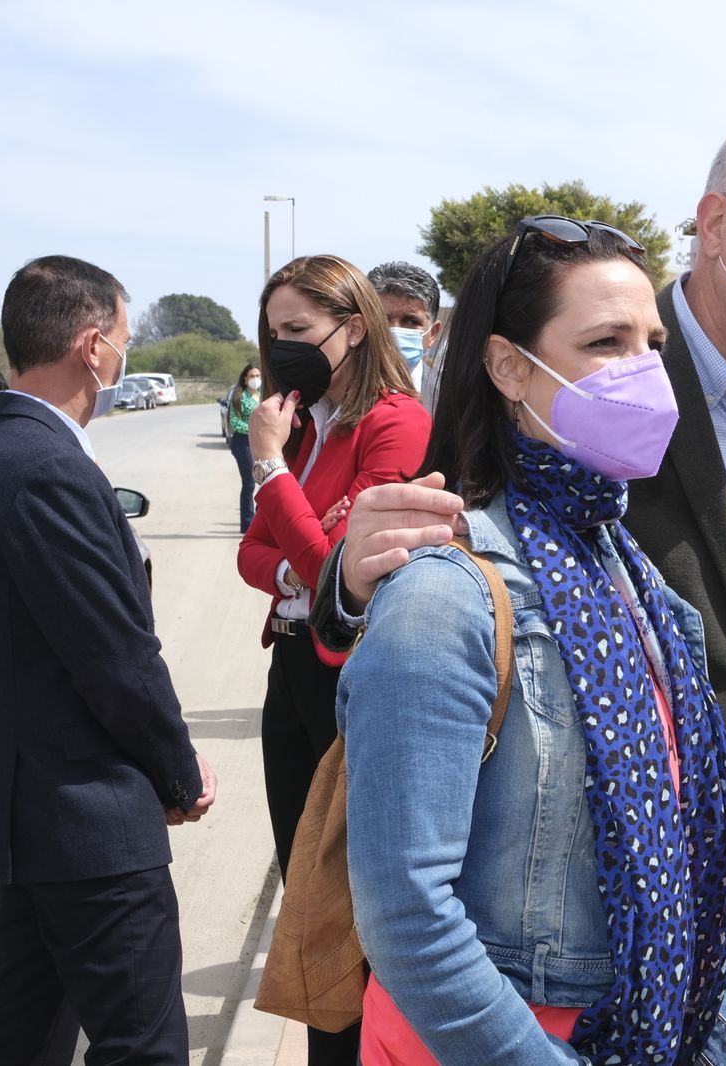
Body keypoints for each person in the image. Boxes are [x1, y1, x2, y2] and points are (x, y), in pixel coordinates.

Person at [311, 119, 726, 988]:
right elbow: (444, 537)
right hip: (546, 902)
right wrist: (351, 585)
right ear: (715, 225)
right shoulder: (582, 368)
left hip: (707, 887)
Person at [343, 216, 726, 1066]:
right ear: (507, 366)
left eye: (652, 343)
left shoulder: (625, 567)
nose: (644, 370)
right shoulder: (445, 593)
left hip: (635, 1030)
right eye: (606, 342)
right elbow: (406, 913)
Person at [0, 255, 216, 1064]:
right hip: (86, 820)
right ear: (93, 347)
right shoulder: (46, 468)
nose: (124, 359)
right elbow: (117, 657)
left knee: (24, 1038)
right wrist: (177, 772)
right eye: (123, 341)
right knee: (142, 1046)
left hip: (35, 818)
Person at [236, 253, 429, 1066]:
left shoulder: (393, 422)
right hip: (291, 671)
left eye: (297, 329)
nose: (283, 347)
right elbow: (253, 556)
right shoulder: (308, 426)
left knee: (352, 899)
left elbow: (339, 578)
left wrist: (270, 468)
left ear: (352, 329)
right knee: (305, 888)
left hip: (348, 677)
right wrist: (304, 551)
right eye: (273, 332)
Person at [366, 261, 442, 389]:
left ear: (433, 334)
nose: (394, 331)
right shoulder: (335, 390)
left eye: (411, 322)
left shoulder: (448, 394)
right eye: (381, 319)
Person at [226, 363, 261, 533]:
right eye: (252, 376)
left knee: (266, 482)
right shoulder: (239, 397)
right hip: (243, 443)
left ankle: (261, 521)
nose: (255, 379)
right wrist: (255, 428)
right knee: (249, 484)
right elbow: (234, 422)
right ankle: (248, 525)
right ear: (245, 379)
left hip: (260, 442)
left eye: (258, 376)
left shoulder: (263, 396)